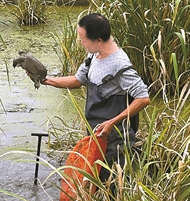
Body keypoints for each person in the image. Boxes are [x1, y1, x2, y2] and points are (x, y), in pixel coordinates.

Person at [42, 13, 150, 181]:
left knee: (113, 180)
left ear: (99, 40)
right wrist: (46, 80)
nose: (81, 43)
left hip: (115, 137)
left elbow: (143, 98)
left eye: (84, 39)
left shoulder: (119, 64)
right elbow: (78, 80)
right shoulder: (94, 55)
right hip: (96, 132)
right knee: (95, 177)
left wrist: (112, 122)